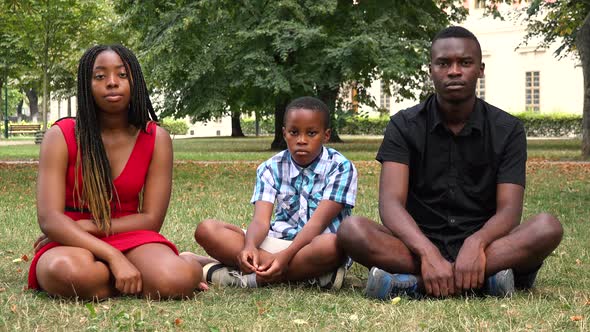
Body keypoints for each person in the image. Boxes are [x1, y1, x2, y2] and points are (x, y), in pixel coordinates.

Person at [337, 26, 563, 299]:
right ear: (431, 69)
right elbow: (390, 204)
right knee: (351, 231)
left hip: (486, 245)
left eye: (465, 63)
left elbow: (509, 211)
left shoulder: (508, 129)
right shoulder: (404, 125)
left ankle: (415, 285)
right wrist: (427, 251)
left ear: (480, 69)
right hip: (416, 245)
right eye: (444, 63)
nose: (454, 71)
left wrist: (476, 242)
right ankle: (487, 283)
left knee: (547, 228)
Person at [28, 44, 207, 300]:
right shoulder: (61, 135)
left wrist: (87, 226)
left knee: (174, 280)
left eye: (122, 75)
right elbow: (50, 219)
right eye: (100, 76)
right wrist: (111, 255)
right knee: (70, 273)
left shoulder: (155, 139)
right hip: (72, 240)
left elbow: (151, 219)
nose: (112, 83)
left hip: (127, 234)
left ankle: (187, 262)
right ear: (86, 85)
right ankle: (131, 275)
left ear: (135, 81)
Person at [193, 96, 357, 289]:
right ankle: (308, 277)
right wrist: (250, 246)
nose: (302, 140)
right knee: (207, 230)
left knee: (332, 245)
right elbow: (261, 221)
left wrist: (285, 257)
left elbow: (317, 224)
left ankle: (237, 276)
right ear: (284, 133)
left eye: (311, 133)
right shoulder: (270, 168)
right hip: (276, 242)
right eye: (294, 132)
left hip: (315, 247)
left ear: (326, 135)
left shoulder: (341, 168)